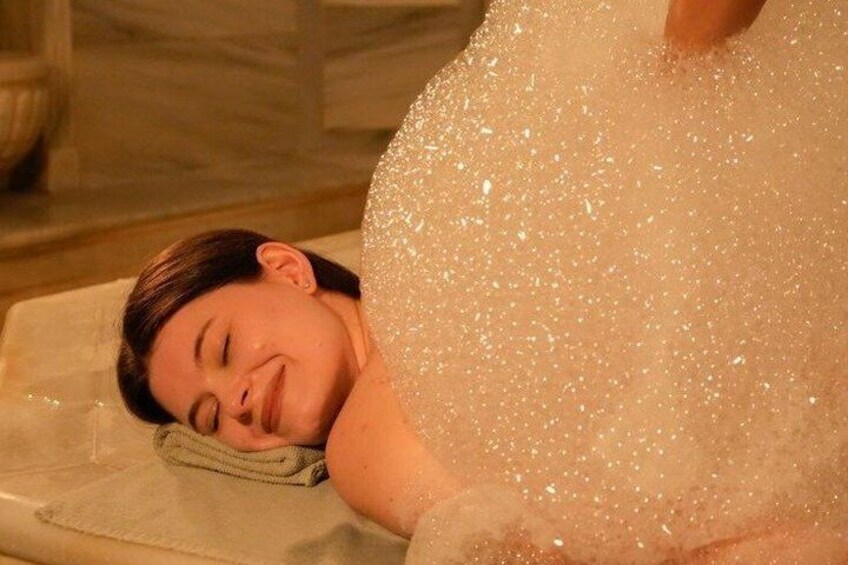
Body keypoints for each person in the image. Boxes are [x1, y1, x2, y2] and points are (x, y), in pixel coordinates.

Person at [117, 1, 846, 561]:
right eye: (210, 418)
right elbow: (580, 535)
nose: (238, 400)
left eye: (223, 348)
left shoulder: (442, 221)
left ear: (286, 269)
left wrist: (678, 91)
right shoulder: (363, 438)